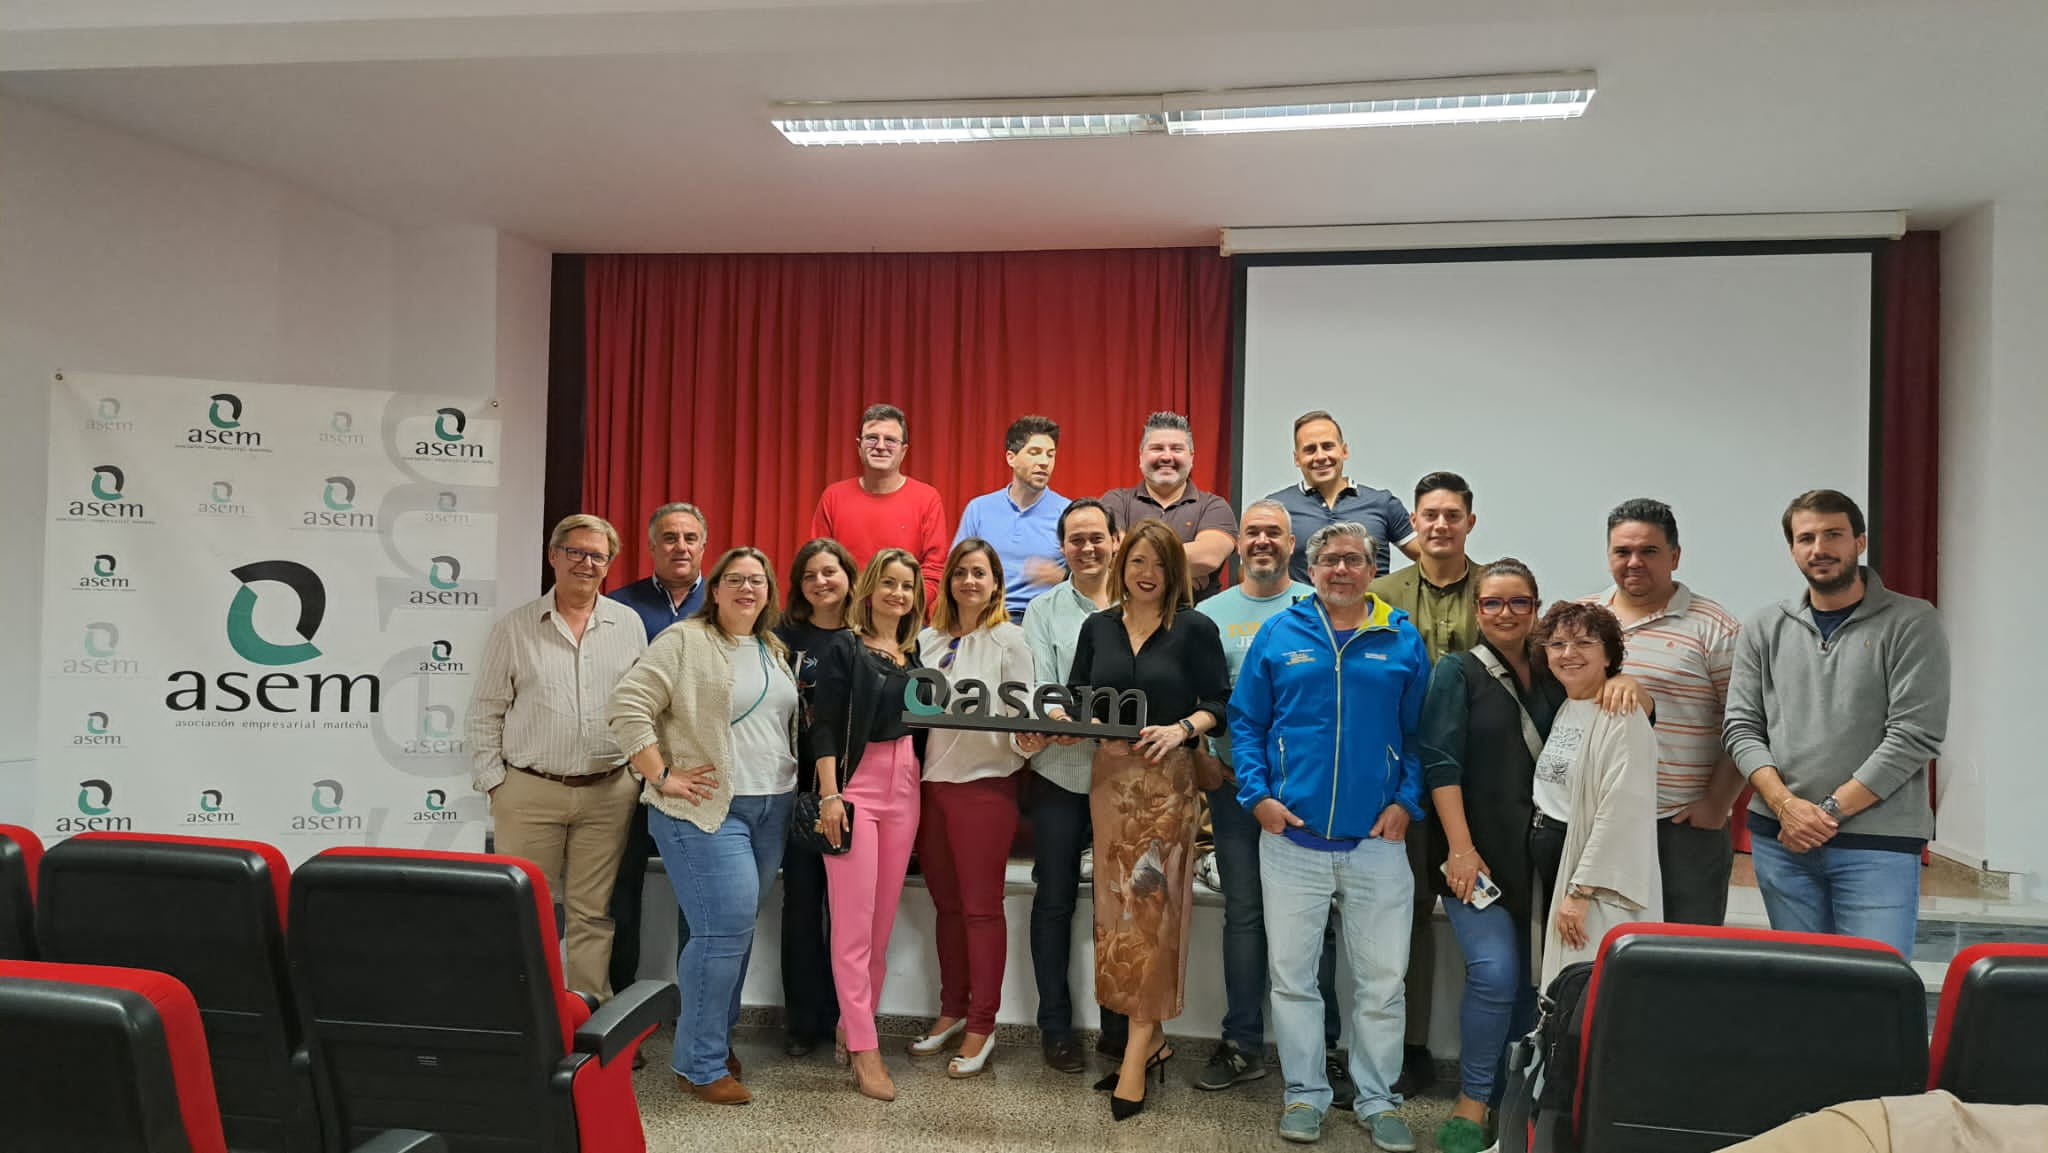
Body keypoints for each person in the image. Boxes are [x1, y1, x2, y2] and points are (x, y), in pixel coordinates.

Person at [1230, 522, 1429, 1151]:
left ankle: (1377, 1098)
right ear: (1310, 569)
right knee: (1292, 979)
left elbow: (1424, 734)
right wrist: (1256, 797)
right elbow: (1245, 722)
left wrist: (1406, 802)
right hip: (1291, 842)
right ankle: (1305, 1096)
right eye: (1329, 560)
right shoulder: (1280, 632)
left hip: (1379, 843)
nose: (1341, 569)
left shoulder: (1399, 638)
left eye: (1354, 560)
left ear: (1373, 570)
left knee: (1382, 981)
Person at [606, 547, 800, 1106]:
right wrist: (660, 774)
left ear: (768, 592)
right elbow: (626, 706)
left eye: (757, 580)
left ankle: (711, 1040)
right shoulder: (685, 640)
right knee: (722, 933)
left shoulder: (771, 646)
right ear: (714, 590)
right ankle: (699, 1062)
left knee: (727, 935)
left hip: (771, 810)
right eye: (734, 579)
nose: (746, 588)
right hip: (707, 811)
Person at [1723, 490, 1949, 959]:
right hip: (1782, 844)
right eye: (1805, 537)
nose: (1819, 548)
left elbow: (1913, 736)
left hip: (1878, 845)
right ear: (1792, 550)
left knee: (1875, 986)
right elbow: (1741, 728)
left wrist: (1822, 813)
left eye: (1833, 535)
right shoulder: (1765, 626)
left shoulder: (1912, 622)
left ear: (1860, 542)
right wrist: (1786, 807)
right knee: (1805, 992)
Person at [1069, 519, 1230, 1120]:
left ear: (1174, 573)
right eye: (1136, 561)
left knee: (1152, 912)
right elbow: (1077, 693)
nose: (1146, 573)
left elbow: (1219, 703)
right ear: (1121, 565)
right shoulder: (1097, 627)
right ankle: (1152, 1038)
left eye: (1158, 564)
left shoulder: (1195, 627)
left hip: (1167, 787)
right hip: (1109, 783)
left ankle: (1137, 1050)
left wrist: (1184, 729)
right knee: (1116, 914)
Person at [1192, 500, 1349, 1101]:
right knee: (1246, 917)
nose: (1262, 542)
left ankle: (1324, 1048)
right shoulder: (1210, 614)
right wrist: (1200, 757)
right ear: (1237, 544)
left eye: (1273, 534)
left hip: (1308, 798)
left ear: (1292, 544)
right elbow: (1196, 696)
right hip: (1234, 793)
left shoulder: (1318, 608)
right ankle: (1242, 1044)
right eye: (1252, 532)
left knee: (1319, 925)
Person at [467, 514, 647, 1000]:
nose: (586, 563)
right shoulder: (515, 627)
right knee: (527, 909)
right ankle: (528, 1017)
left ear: (608, 565)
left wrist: (634, 775)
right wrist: (495, 784)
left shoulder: (628, 625)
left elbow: (643, 707)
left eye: (598, 556)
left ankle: (588, 1020)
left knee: (594, 913)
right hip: (528, 791)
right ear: (553, 556)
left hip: (608, 792)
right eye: (576, 552)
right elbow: (487, 709)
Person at [1417, 558, 1562, 1153]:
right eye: (1493, 603)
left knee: (1533, 985)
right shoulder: (1457, 671)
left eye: (1519, 603)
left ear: (1536, 607)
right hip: (1472, 857)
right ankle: (1473, 1100)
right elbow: (1439, 763)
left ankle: (1513, 1100)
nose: (1506, 614)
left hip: (1544, 859)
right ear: (1477, 611)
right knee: (1497, 974)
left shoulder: (1558, 669)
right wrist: (1460, 848)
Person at [1367, 469, 1483, 1094]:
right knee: (1403, 917)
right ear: (1414, 523)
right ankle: (1408, 1048)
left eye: (1452, 515)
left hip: (1478, 786)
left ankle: (1486, 1059)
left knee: (1487, 918)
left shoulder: (1499, 591)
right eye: (1429, 515)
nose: (1440, 525)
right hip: (1402, 787)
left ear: (1470, 521)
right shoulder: (1380, 592)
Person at [1579, 498, 1744, 927]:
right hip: (1600, 826)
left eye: (1649, 552)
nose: (1634, 562)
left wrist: (1716, 804)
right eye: (1622, 552)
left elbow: (1747, 725)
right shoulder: (1583, 623)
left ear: (1674, 556)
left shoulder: (1716, 627)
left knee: (1688, 961)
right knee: (1605, 959)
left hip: (1681, 826)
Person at [907, 538, 1036, 1076]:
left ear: (995, 583)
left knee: (982, 909)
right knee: (947, 906)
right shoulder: (926, 640)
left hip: (985, 787)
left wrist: (1031, 740)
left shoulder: (1009, 640)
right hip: (928, 790)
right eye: (961, 572)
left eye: (980, 573)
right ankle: (952, 1008)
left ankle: (984, 1021)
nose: (969, 581)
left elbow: (1027, 713)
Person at [806, 547, 929, 1101]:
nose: (898, 594)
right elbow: (824, 726)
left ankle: (855, 1026)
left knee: (879, 928)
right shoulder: (843, 647)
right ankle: (864, 1047)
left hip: (906, 783)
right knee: (853, 929)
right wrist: (831, 795)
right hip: (856, 787)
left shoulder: (914, 651)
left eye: (907, 586)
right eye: (889, 584)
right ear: (871, 589)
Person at [1019, 497, 1120, 1073]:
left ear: (1114, 540)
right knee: (1054, 901)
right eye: (1075, 539)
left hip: (1123, 779)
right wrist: (1053, 717)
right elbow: (1041, 688)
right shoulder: (1043, 611)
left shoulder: (1140, 604)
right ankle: (1054, 1026)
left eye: (1095, 537)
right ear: (1063, 546)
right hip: (1059, 776)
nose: (1086, 548)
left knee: (1118, 906)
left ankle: (1117, 1025)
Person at [606, 501, 710, 1000]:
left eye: (690, 538)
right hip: (630, 771)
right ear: (651, 547)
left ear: (704, 546)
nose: (680, 547)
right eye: (669, 538)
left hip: (698, 774)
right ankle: (617, 1015)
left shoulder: (726, 602)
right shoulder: (618, 606)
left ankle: (699, 1017)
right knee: (619, 895)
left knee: (700, 903)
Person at [1529, 601, 1662, 986]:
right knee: (1565, 988)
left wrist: (1581, 890)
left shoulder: (1621, 713)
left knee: (1590, 989)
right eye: (1557, 645)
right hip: (1559, 862)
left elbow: (1620, 811)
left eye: (1584, 643)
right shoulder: (1570, 706)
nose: (1568, 654)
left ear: (1608, 654)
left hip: (1594, 882)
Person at [772, 537, 860, 1057]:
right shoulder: (780, 638)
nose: (822, 582)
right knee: (802, 906)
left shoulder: (871, 637)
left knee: (851, 913)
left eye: (830, 572)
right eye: (810, 575)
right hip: (795, 786)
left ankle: (846, 1019)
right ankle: (804, 1022)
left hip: (860, 786)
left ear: (849, 576)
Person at [810, 403, 948, 605]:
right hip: (844, 614)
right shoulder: (833, 497)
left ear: (903, 450)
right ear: (859, 446)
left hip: (903, 616)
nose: (881, 446)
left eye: (890, 440)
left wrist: (903, 605)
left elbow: (934, 570)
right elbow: (819, 563)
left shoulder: (927, 499)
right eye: (872, 438)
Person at [1097, 412, 1237, 600]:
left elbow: (1208, 558)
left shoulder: (1214, 507)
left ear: (1192, 457)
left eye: (1176, 449)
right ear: (1141, 456)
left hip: (1195, 620)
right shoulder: (1115, 501)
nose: (1166, 456)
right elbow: (1110, 555)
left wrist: (1135, 561)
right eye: (1157, 448)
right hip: (1129, 620)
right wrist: (1182, 575)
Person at [1268, 411, 1418, 582]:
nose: (1320, 456)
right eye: (1310, 450)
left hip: (1372, 607)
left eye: (1327, 446)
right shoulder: (1277, 509)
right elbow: (1253, 570)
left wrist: (1403, 590)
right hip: (1307, 608)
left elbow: (1431, 560)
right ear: (1297, 459)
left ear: (1344, 451)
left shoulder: (1382, 503)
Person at [953, 414, 1071, 622]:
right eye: (1035, 453)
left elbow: (1092, 579)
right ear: (1011, 457)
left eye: (1050, 455)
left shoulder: (1067, 512)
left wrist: (1063, 578)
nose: (1044, 462)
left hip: (1044, 621)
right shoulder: (979, 509)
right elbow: (955, 570)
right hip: (985, 617)